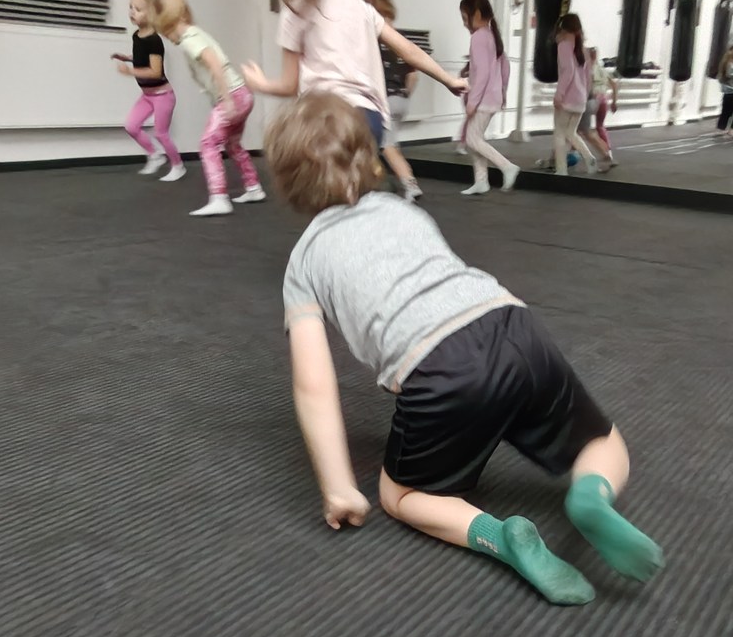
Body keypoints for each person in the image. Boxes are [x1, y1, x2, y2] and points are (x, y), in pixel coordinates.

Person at [268, 92, 664, 605]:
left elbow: (314, 384)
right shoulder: (403, 211)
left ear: (288, 186)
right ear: (370, 158)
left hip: (442, 369)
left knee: (401, 494)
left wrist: (339, 485)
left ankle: (501, 537)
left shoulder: (303, 262)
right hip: (516, 327)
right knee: (602, 444)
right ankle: (591, 494)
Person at [243, 0, 465, 203]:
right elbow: (409, 50)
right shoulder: (361, 7)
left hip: (325, 121)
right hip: (367, 120)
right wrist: (448, 79)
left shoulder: (295, 10)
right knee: (355, 197)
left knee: (327, 199)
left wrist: (260, 83)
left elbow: (289, 85)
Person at [154, 0, 265, 216]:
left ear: (169, 23)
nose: (169, 39)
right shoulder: (197, 33)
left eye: (165, 33)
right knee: (232, 144)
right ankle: (253, 187)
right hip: (243, 94)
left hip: (233, 96)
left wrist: (226, 99)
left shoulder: (189, 40)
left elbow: (214, 64)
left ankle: (219, 197)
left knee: (208, 144)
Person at [113, 0, 184, 181]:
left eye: (138, 9)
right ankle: (155, 156)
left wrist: (130, 72)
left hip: (163, 96)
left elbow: (155, 71)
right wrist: (127, 58)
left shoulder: (154, 40)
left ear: (152, 14)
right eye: (130, 7)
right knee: (131, 126)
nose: (132, 12)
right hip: (147, 95)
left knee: (161, 133)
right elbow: (142, 59)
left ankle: (178, 166)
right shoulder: (137, 35)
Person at [458, 0, 519, 195]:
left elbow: (483, 73)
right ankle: (481, 181)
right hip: (492, 97)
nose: (464, 23)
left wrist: (472, 102)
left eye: (465, 18)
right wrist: (503, 92)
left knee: (472, 140)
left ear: (476, 14)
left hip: (483, 99)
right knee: (474, 139)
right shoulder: (491, 36)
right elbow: (505, 67)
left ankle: (507, 166)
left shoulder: (478, 37)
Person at [364, 0, 417, 129]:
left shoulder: (372, 39)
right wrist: (404, 94)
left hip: (384, 101)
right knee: (389, 138)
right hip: (400, 100)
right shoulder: (402, 38)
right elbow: (413, 76)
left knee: (383, 142)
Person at [553, 13, 595, 176]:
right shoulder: (584, 50)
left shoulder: (563, 46)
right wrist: (584, 96)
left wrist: (559, 94)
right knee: (571, 133)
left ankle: (561, 170)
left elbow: (568, 71)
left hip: (567, 99)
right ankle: (589, 158)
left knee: (559, 134)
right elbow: (588, 78)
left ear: (563, 28)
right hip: (580, 99)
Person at [580, 47, 616, 171]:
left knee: (583, 132)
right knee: (595, 128)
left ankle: (604, 156)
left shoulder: (587, 69)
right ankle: (607, 154)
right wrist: (614, 102)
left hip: (592, 100)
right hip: (602, 100)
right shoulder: (602, 70)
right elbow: (614, 84)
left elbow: (587, 87)